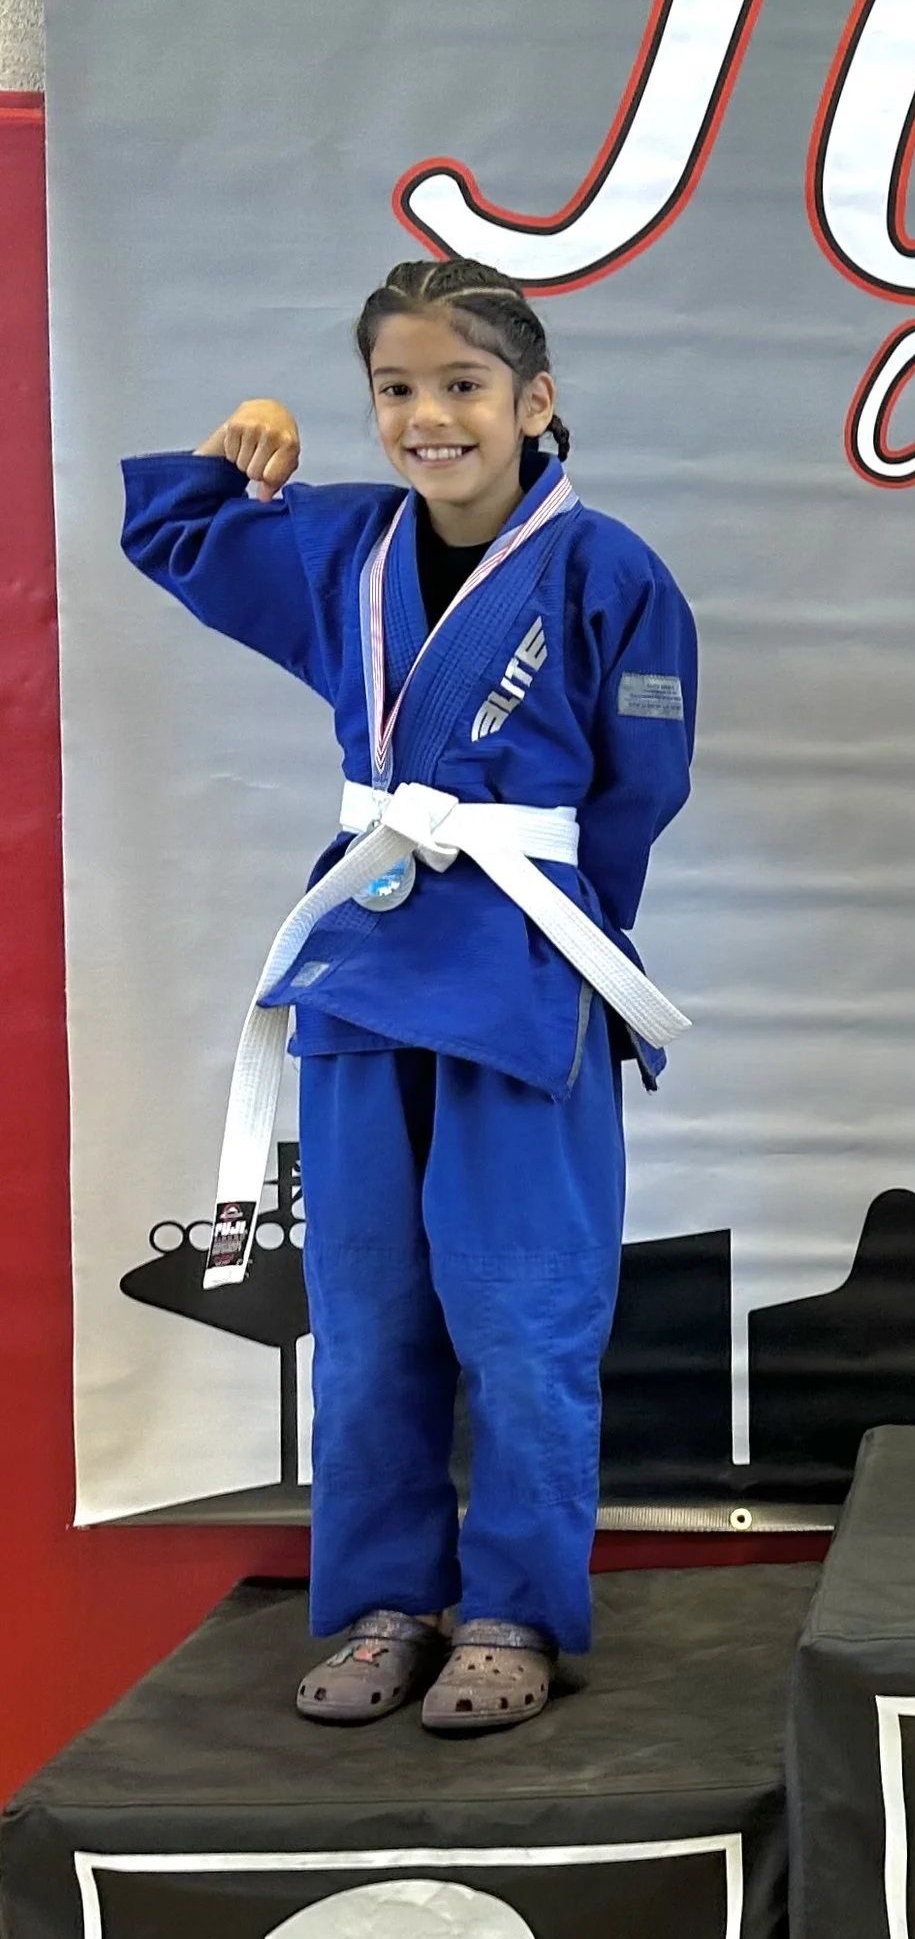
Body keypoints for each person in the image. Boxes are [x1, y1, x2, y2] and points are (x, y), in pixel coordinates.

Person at [122, 256, 696, 1733]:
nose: (428, 416)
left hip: (522, 969)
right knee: (369, 1310)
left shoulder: (608, 570)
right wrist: (235, 441)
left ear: (534, 402)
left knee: (522, 1311)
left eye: (462, 385)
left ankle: (512, 1606)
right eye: (397, 389)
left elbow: (641, 789)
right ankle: (389, 1596)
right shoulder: (343, 552)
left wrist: (576, 944)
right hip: (368, 964)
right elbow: (179, 535)